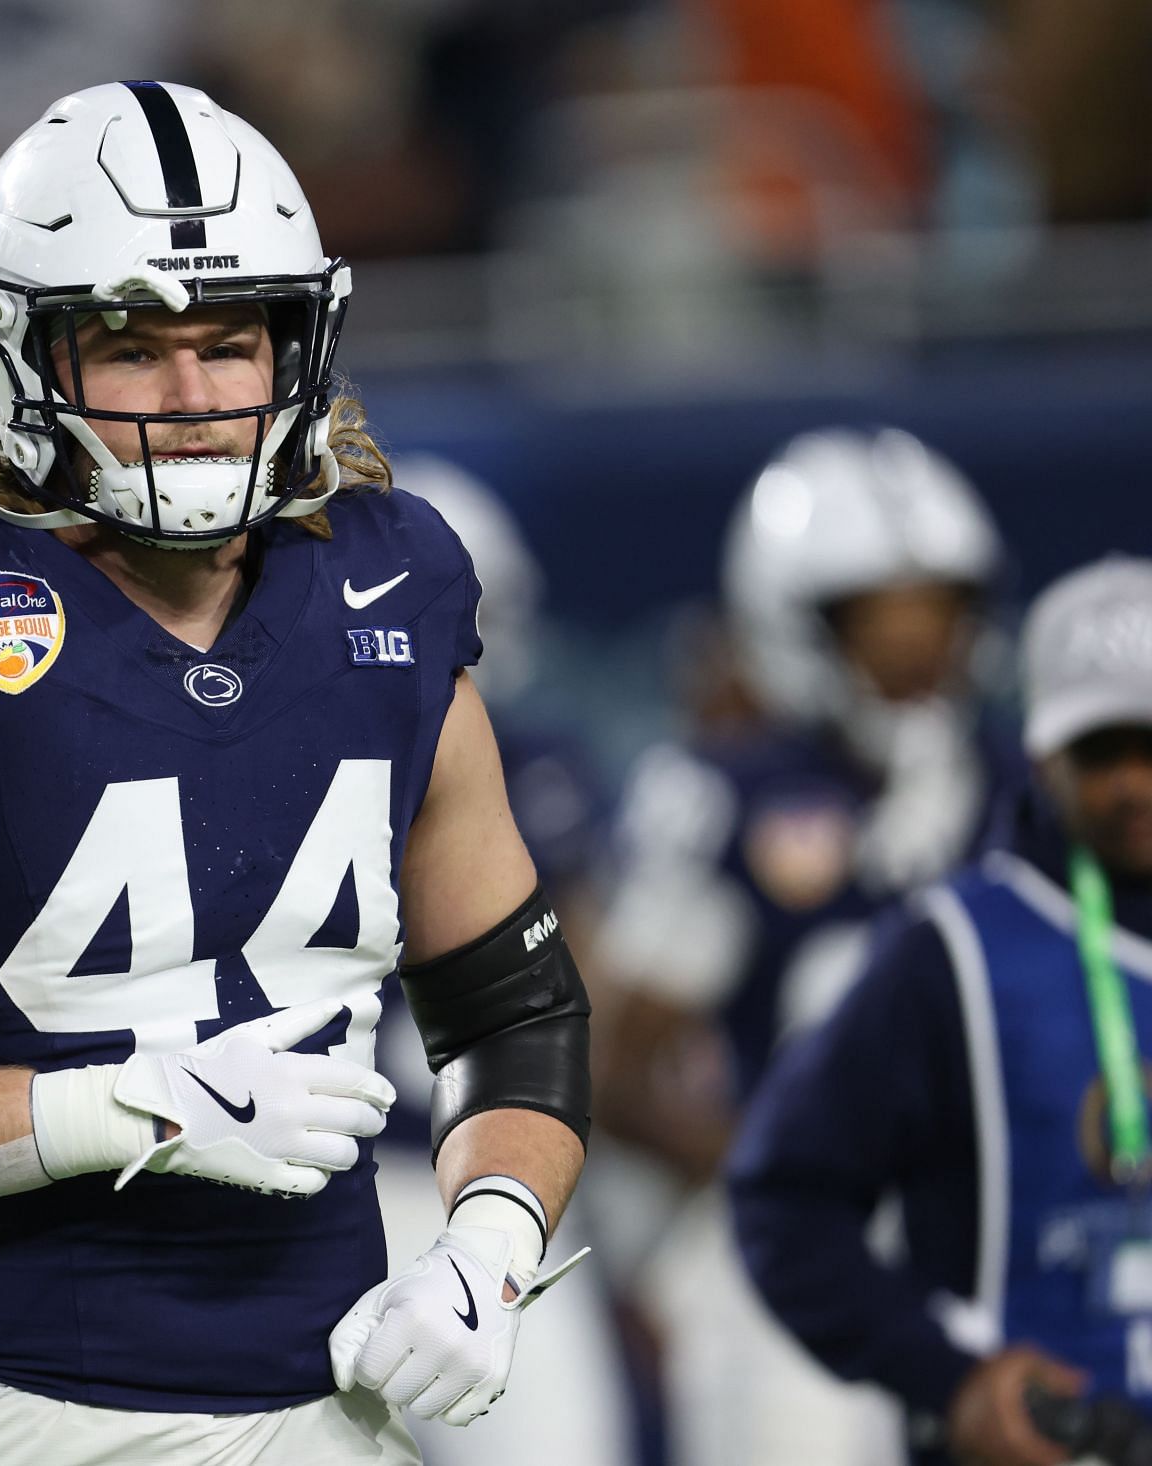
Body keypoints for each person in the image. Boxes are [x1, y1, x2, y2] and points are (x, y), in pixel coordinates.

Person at [0, 80, 592, 1466]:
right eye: (130, 349)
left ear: (299, 344)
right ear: (23, 354)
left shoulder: (392, 592)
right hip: (5, 1409)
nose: (192, 398)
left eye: (231, 344)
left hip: (321, 1402)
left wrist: (488, 1242)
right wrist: (134, 1105)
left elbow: (512, 1008)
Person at [594, 427, 1017, 1466]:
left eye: (939, 611)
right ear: (800, 624)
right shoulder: (729, 792)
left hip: (999, 1222)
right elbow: (615, 1060)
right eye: (885, 618)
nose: (920, 647)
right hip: (806, 1248)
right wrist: (778, 1167)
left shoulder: (1027, 785)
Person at [731, 554, 1152, 1466]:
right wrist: (946, 1379)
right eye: (1103, 749)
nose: (1135, 785)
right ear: (1043, 752)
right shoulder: (955, 949)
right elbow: (781, 1194)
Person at [373, 453, 635, 1466]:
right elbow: (583, 1001)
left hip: (468, 1186)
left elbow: (575, 1004)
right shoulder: (533, 758)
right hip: (423, 1183)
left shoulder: (530, 759)